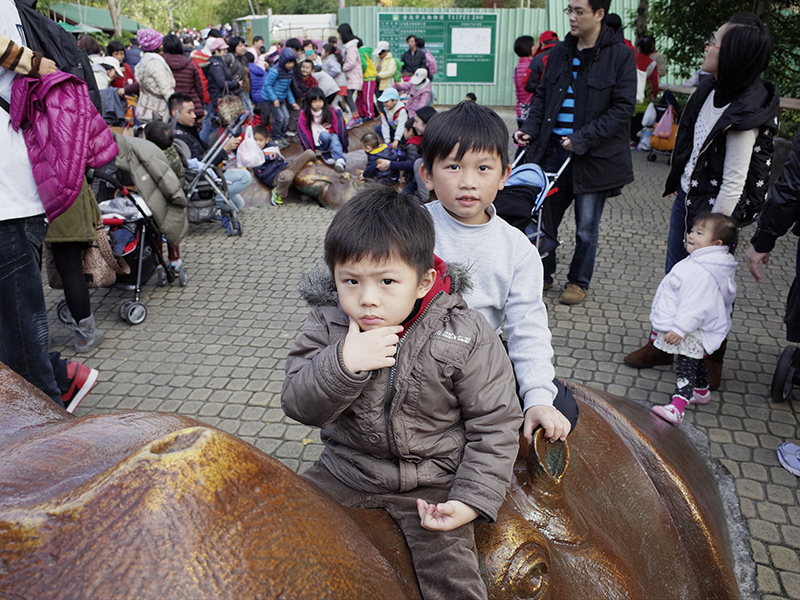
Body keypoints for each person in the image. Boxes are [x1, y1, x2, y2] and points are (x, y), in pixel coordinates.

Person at [281, 187, 522, 600]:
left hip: (433, 485)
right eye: (351, 281)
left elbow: (496, 425)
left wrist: (470, 500)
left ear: (422, 280)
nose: (367, 299)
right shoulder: (327, 324)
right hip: (345, 472)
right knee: (283, 543)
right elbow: (298, 404)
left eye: (387, 281)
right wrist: (343, 363)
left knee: (454, 584)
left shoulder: (467, 333)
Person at [624, 13, 779, 389]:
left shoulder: (747, 109)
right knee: (676, 277)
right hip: (691, 202)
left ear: (734, 55)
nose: (708, 44)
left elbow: (733, 183)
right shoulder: (708, 90)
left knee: (709, 289)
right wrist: (683, 181)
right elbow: (694, 143)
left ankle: (710, 358)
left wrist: (710, 235)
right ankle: (664, 342)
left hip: (715, 219)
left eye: (716, 40)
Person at [421, 101, 575, 443]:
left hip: (480, 361)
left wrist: (537, 396)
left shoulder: (517, 249)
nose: (468, 183)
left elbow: (527, 327)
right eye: (453, 167)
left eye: (483, 168)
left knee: (563, 409)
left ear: (505, 175)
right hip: (414, 360)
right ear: (428, 175)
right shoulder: (410, 229)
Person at [0, 21, 97, 413]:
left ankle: (54, 444)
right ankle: (62, 378)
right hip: (20, 198)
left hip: (10, 202)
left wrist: (39, 65)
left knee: (22, 352)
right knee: (17, 344)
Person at [514, 0, 636, 306]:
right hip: (552, 153)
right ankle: (544, 273)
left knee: (586, 228)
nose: (572, 17)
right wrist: (530, 127)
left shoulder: (619, 55)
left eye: (579, 11)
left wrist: (582, 138)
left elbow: (623, 109)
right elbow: (542, 96)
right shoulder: (559, 52)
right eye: (569, 10)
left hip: (593, 157)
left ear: (599, 14)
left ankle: (578, 281)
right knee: (544, 220)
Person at [649, 214, 738, 425]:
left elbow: (696, 306)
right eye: (692, 230)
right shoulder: (703, 262)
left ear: (716, 243)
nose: (691, 235)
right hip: (693, 327)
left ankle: (678, 406)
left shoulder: (704, 271)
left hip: (691, 329)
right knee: (696, 360)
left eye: (699, 233)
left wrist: (680, 329)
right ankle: (701, 391)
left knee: (685, 364)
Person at [169, 93, 250, 215]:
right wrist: (224, 150)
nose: (194, 116)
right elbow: (201, 164)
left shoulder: (187, 129)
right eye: (189, 112)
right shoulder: (179, 136)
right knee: (245, 176)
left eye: (194, 111)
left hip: (207, 175)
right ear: (175, 113)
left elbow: (205, 153)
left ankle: (216, 202)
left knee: (239, 204)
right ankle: (211, 202)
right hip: (199, 180)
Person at [143, 121, 185, 274]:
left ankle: (159, 259)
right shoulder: (172, 152)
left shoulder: (154, 158)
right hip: (175, 197)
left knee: (157, 231)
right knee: (171, 230)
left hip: (161, 200)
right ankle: (175, 259)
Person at [377, 105, 436, 200]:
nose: (414, 125)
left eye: (416, 121)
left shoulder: (434, 142)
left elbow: (415, 163)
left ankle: (423, 199)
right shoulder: (426, 139)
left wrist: (390, 164)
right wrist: (398, 158)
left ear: (427, 123)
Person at [251, 124, 316, 206]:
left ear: (267, 140)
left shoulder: (272, 148)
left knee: (309, 153)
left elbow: (281, 159)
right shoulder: (253, 153)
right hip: (274, 177)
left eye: (260, 140)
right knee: (288, 176)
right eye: (255, 140)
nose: (257, 143)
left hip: (284, 167)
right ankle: (278, 192)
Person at [297, 87, 348, 172]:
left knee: (335, 138)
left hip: (331, 136)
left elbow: (338, 128)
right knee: (325, 135)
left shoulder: (330, 111)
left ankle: (340, 160)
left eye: (320, 101)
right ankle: (325, 152)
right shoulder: (305, 114)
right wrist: (310, 151)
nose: (318, 104)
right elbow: (305, 132)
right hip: (318, 139)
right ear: (309, 103)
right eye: (314, 102)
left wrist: (344, 144)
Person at [134, 29, 176, 124]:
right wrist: (177, 106)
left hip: (145, 106)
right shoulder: (155, 64)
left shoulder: (143, 61)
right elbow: (166, 89)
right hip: (157, 110)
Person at [261, 47, 300, 150]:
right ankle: (275, 138)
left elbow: (287, 89)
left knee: (286, 117)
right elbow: (267, 85)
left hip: (281, 99)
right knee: (280, 118)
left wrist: (292, 102)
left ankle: (281, 136)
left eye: (292, 63)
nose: (290, 65)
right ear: (283, 61)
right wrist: (274, 99)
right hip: (271, 99)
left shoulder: (289, 72)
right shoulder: (275, 71)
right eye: (288, 62)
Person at [162, 34, 204, 125]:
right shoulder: (189, 64)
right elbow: (198, 87)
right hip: (190, 105)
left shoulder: (160, 64)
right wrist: (200, 104)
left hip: (168, 107)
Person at [202, 38, 240, 128]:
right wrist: (236, 84)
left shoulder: (215, 63)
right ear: (216, 51)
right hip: (220, 98)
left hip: (218, 97)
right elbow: (221, 83)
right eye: (223, 50)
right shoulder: (216, 65)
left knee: (223, 124)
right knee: (225, 125)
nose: (225, 53)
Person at [631, 35, 659, 144]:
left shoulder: (631, 58)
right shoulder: (652, 63)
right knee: (639, 118)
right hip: (641, 94)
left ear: (638, 48)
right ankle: (635, 140)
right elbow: (655, 82)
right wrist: (654, 95)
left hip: (627, 90)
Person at [337, 23, 363, 129]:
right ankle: (355, 117)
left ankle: (355, 118)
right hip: (351, 76)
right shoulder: (349, 46)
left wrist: (342, 67)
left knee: (348, 96)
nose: (339, 37)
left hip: (353, 77)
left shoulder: (351, 47)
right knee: (348, 97)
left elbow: (351, 63)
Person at [524, 30, 559, 98]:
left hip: (543, 99)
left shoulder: (539, 58)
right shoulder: (569, 54)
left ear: (542, 44)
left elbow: (529, 85)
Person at [513, 35, 535, 129]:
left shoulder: (518, 67)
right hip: (530, 111)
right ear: (528, 48)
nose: (536, 47)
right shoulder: (531, 66)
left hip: (520, 110)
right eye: (534, 45)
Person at [321, 43, 347, 112]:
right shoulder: (331, 59)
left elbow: (336, 70)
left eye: (322, 50)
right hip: (339, 85)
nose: (321, 52)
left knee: (333, 105)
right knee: (333, 104)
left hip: (337, 85)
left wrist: (327, 76)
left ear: (327, 52)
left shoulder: (330, 60)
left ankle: (339, 119)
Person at [357, 40, 377, 121]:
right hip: (365, 78)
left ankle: (369, 115)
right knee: (361, 97)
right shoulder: (364, 51)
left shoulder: (360, 51)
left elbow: (363, 64)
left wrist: (360, 73)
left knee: (367, 98)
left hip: (368, 77)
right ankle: (362, 113)